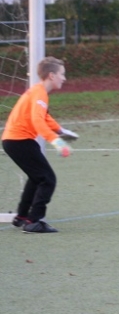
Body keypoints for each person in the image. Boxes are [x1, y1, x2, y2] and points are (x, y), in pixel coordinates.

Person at [1, 57, 77, 234]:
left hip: (14, 140)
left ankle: (22, 217)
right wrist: (57, 142)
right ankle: (33, 221)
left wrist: (60, 130)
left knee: (37, 177)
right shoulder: (40, 93)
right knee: (47, 179)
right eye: (62, 74)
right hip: (19, 141)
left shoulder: (37, 91)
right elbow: (37, 120)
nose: (64, 78)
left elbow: (44, 117)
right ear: (51, 75)